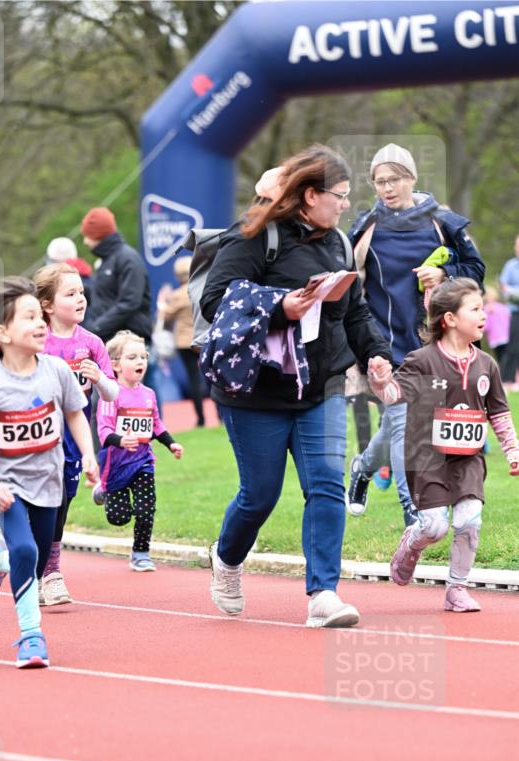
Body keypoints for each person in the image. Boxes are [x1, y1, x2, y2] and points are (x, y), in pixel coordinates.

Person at [199, 144, 392, 628]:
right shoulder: (255, 236)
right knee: (259, 495)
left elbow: (356, 311)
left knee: (326, 484)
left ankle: (323, 594)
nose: (346, 204)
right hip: (255, 393)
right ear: (310, 195)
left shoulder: (340, 244)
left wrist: (376, 355)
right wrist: (278, 307)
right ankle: (226, 558)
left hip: (321, 387)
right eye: (340, 196)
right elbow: (213, 301)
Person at [0, 277, 98, 668]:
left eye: (41, 316)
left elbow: (75, 413)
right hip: (7, 486)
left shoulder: (55, 370)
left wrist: (88, 454)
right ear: (3, 333)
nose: (40, 324)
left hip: (49, 483)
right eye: (29, 318)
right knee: (23, 548)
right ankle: (31, 637)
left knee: (32, 564)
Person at [346, 143, 485, 527]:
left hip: (433, 341)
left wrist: (445, 275)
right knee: (405, 422)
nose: (387, 188)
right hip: (382, 343)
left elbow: (477, 269)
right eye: (379, 182)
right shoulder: (365, 227)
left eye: (394, 180)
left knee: (398, 424)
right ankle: (416, 512)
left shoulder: (442, 222)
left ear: (411, 179)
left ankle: (362, 469)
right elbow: (343, 279)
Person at [369, 278, 519, 612]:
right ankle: (411, 542)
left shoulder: (487, 365)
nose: (484, 315)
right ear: (449, 319)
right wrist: (381, 381)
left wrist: (512, 449)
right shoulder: (421, 360)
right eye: (475, 309)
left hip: (468, 459)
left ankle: (457, 588)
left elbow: (499, 411)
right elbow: (394, 396)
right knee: (435, 527)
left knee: (469, 519)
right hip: (426, 458)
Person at [33, 262, 118, 605]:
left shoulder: (92, 343)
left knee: (63, 501)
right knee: (37, 502)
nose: (81, 299)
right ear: (48, 305)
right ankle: (38, 570)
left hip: (73, 436)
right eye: (71, 294)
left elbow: (113, 394)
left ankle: (50, 570)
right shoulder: (38, 340)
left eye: (82, 292)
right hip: (36, 434)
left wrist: (98, 378)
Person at [94, 331, 183, 572]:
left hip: (143, 461)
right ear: (115, 364)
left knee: (146, 509)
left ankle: (141, 553)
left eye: (143, 356)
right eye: (132, 357)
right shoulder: (110, 394)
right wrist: (121, 440)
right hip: (117, 463)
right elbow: (103, 431)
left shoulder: (149, 394)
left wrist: (170, 443)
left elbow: (156, 424)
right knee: (118, 517)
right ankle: (104, 488)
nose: (140, 362)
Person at [79, 207, 153, 343]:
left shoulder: (127, 258)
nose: (85, 241)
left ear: (98, 235)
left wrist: (96, 327)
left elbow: (130, 302)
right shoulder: (108, 259)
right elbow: (103, 295)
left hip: (129, 343)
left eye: (87, 236)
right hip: (111, 339)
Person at [157, 256, 206, 427]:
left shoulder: (178, 296)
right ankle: (220, 416)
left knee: (194, 379)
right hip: (204, 338)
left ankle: (201, 418)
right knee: (212, 377)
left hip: (185, 341)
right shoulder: (203, 289)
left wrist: (163, 304)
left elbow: (165, 318)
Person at [500, 234, 519, 384]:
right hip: (515, 312)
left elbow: (510, 290)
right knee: (512, 347)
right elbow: (504, 289)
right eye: (516, 245)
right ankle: (507, 381)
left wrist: (513, 291)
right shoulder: (510, 266)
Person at [483, 285, 511, 375]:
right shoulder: (503, 307)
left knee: (501, 358)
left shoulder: (487, 310)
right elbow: (509, 320)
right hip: (507, 336)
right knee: (507, 358)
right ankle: (508, 377)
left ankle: (504, 377)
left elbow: (485, 326)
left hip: (495, 339)